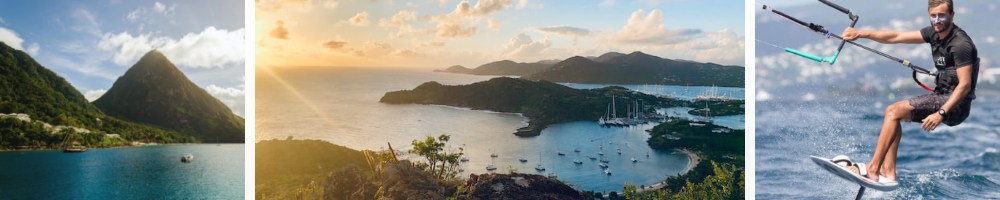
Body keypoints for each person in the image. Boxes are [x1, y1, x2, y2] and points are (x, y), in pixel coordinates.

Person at [838, 0, 979, 184]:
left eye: (942, 15)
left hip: (956, 104)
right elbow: (896, 36)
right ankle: (888, 172)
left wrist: (940, 113)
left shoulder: (960, 44)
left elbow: (965, 85)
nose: (937, 20)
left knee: (893, 111)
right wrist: (861, 33)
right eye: (933, 16)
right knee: (894, 114)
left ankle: (873, 169)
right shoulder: (933, 33)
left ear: (952, 15)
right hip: (941, 96)